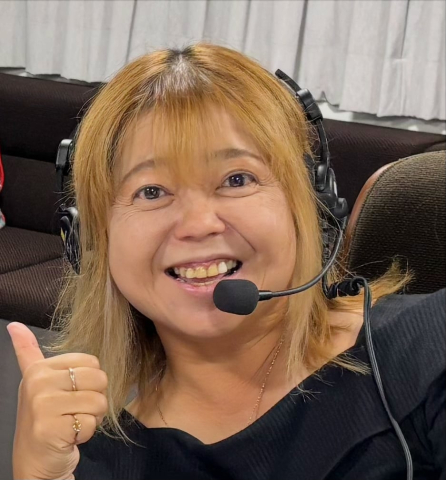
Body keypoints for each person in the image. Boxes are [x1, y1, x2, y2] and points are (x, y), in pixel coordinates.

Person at [7, 43, 445, 480]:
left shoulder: (429, 347)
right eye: (151, 191)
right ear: (90, 238)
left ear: (309, 206)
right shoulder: (88, 454)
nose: (198, 224)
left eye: (237, 179)